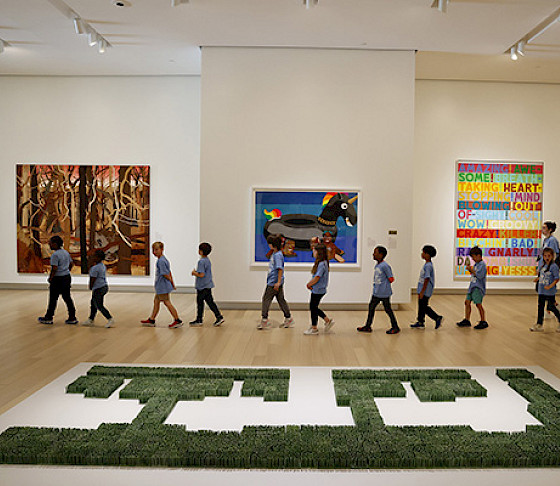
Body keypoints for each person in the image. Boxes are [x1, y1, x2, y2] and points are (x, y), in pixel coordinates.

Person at [357, 246, 400, 334]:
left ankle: (395, 327)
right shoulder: (378, 265)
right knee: (371, 308)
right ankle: (368, 326)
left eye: (375, 252)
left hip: (384, 293)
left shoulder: (385, 266)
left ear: (381, 255)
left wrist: (383, 285)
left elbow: (391, 278)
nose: (373, 254)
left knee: (388, 310)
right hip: (377, 292)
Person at [141, 241, 182, 329]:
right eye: (153, 250)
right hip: (161, 286)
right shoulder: (164, 259)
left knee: (167, 302)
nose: (154, 252)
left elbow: (165, 274)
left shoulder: (161, 261)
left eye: (156, 250)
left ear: (162, 249)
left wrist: (171, 282)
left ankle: (177, 320)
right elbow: (169, 272)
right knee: (156, 302)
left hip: (162, 286)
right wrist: (172, 283)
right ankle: (151, 319)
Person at [38, 236, 78, 325]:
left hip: (58, 279)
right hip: (66, 277)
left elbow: (54, 268)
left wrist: (51, 278)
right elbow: (71, 263)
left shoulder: (55, 255)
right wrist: (66, 270)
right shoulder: (66, 253)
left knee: (53, 299)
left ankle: (49, 317)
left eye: (51, 243)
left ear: (55, 244)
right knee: (67, 298)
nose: (49, 245)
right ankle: (72, 317)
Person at [258, 234, 294, 329]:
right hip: (276, 282)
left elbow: (280, 269)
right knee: (281, 300)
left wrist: (277, 282)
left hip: (273, 283)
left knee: (266, 299)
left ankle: (264, 320)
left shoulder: (278, 255)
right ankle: (288, 318)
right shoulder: (276, 253)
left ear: (272, 245)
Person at [190, 242, 224, 327]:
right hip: (207, 285)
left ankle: (199, 319)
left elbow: (201, 274)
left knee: (200, 303)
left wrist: (194, 273)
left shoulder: (201, 262)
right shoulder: (207, 260)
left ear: (201, 251)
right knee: (210, 302)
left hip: (202, 286)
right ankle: (218, 316)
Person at [304, 243, 335, 335]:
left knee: (313, 308)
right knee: (314, 307)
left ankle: (314, 328)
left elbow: (317, 277)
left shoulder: (322, 264)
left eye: (314, 250)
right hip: (318, 289)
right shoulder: (323, 263)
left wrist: (309, 284)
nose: (313, 252)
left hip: (318, 290)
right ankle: (327, 321)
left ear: (319, 252)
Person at [411, 245, 443, 329]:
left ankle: (437, 317)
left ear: (428, 254)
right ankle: (420, 321)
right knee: (421, 306)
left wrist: (422, 291)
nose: (422, 254)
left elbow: (427, 279)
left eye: (424, 253)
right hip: (422, 289)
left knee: (424, 306)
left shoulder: (428, 266)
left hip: (425, 290)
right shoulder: (426, 265)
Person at [456, 246, 488, 330]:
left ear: (478, 256)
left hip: (478, 288)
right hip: (472, 286)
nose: (473, 259)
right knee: (467, 302)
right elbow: (475, 274)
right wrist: (471, 270)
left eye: (473, 257)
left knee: (478, 304)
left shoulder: (482, 265)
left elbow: (480, 276)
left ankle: (483, 321)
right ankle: (467, 319)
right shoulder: (477, 264)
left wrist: (472, 270)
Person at [81, 249, 114, 328]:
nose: (92, 257)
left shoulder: (95, 268)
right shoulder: (102, 266)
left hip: (98, 288)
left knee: (99, 305)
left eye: (94, 255)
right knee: (93, 303)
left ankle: (110, 318)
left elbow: (93, 279)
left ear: (98, 257)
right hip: (103, 286)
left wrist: (90, 287)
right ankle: (91, 319)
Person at [530, 248, 560, 332]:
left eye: (549, 256)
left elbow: (557, 279)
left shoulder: (554, 267)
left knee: (551, 307)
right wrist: (538, 279)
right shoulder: (543, 266)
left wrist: (550, 286)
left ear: (552, 256)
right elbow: (543, 276)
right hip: (541, 291)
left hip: (550, 292)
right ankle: (539, 324)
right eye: (545, 256)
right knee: (540, 307)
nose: (547, 258)